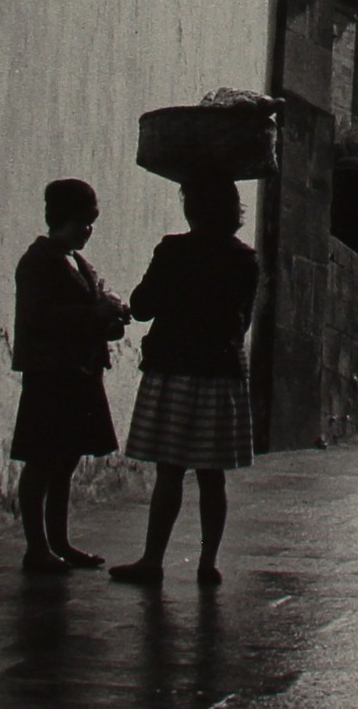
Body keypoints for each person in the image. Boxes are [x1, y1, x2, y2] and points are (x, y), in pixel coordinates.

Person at [110, 178, 259, 587]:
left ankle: (152, 560)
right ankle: (208, 562)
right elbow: (242, 321)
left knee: (170, 469)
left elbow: (142, 306)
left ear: (191, 208)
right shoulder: (245, 259)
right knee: (212, 475)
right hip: (221, 370)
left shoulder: (173, 251)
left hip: (174, 365)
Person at [11, 178, 128, 573]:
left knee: (65, 461)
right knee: (42, 460)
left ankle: (58, 542)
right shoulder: (38, 261)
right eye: (82, 222)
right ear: (61, 219)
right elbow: (38, 316)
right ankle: (37, 547)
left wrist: (109, 319)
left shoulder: (77, 263)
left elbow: (87, 313)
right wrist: (94, 314)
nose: (88, 230)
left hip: (80, 372)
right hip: (50, 372)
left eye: (91, 223)